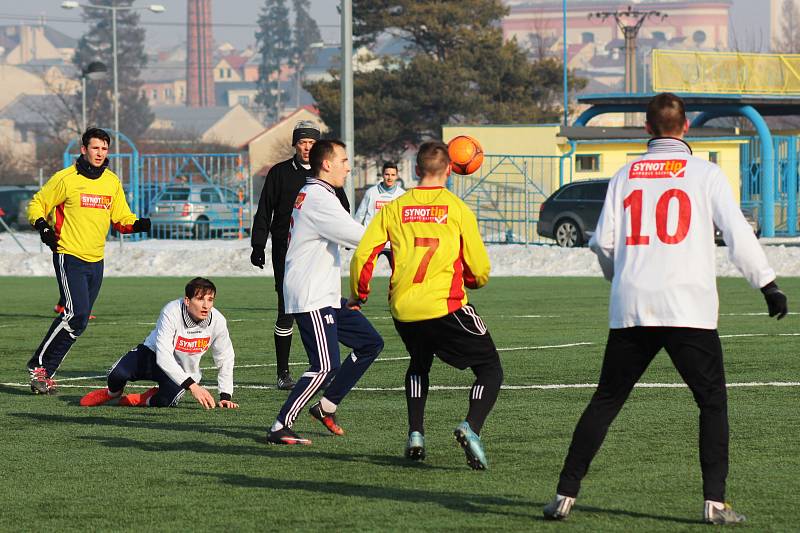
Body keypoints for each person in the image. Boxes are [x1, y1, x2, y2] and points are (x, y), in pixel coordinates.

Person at [543, 93, 789, 525]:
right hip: (688, 306)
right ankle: (714, 503)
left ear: (647, 128)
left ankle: (564, 495)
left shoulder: (625, 175)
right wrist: (766, 284)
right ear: (686, 127)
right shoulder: (705, 173)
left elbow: (602, 241)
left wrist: (619, 278)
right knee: (711, 403)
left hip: (634, 306)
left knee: (606, 400)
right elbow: (736, 234)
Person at [350, 141, 503, 470]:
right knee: (490, 369)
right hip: (445, 308)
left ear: (416, 171)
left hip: (404, 309)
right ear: (449, 169)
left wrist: (359, 294)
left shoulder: (394, 207)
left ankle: (416, 433)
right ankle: (470, 427)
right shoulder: (457, 208)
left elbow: (364, 253)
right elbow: (478, 269)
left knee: (419, 364)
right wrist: (474, 281)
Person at [266, 139, 383, 446]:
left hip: (325, 294)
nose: (349, 166)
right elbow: (361, 236)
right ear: (327, 164)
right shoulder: (318, 197)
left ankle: (327, 406)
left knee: (369, 343)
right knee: (325, 365)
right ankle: (281, 424)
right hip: (311, 295)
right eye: (344, 160)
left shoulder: (321, 194)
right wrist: (403, 236)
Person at [26, 127, 150, 395]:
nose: (100, 153)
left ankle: (45, 373)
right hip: (69, 254)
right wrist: (43, 228)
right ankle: (38, 365)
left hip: (97, 259)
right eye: (95, 148)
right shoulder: (66, 179)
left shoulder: (111, 182)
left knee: (79, 322)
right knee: (75, 313)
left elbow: (120, 218)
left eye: (104, 149)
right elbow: (37, 203)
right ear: (84, 149)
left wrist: (138, 224)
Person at [250, 120, 351, 391]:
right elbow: (264, 210)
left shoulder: (325, 175)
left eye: (311, 143)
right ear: (295, 144)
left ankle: (318, 367)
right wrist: (258, 244)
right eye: (302, 142)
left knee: (318, 306)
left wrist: (347, 238)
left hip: (319, 254)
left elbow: (343, 211)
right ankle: (283, 373)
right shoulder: (280, 173)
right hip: (286, 252)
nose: (307, 147)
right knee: (286, 310)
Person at [80, 277, 238, 409]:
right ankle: (111, 394)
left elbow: (225, 357)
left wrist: (225, 395)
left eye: (210, 300)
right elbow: (163, 356)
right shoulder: (171, 311)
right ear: (187, 301)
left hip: (183, 370)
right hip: (151, 354)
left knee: (165, 402)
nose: (206, 305)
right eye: (200, 299)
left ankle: (142, 399)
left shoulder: (217, 321)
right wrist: (193, 386)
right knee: (117, 373)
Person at [353, 161, 406, 263]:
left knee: (398, 276)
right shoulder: (371, 192)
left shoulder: (402, 195)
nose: (390, 178)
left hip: (393, 243)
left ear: (396, 176)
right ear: (382, 175)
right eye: (387, 174)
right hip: (372, 242)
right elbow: (360, 215)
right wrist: (354, 234)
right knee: (363, 274)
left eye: (393, 175)